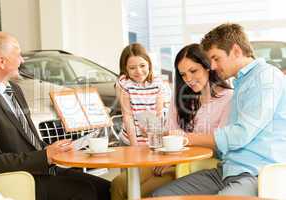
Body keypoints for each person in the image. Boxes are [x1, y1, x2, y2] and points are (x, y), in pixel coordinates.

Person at [152, 23, 286, 197]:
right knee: (162, 195)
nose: (213, 66)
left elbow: (240, 134)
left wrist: (185, 138)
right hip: (227, 170)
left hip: (255, 173)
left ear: (236, 51)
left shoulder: (265, 77)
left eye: (216, 58)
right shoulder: (242, 82)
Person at [0, 31, 110, 200]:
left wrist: (57, 149)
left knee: (105, 188)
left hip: (41, 169)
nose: (22, 60)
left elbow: (29, 140)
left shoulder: (14, 89)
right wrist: (45, 156)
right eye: (18, 55)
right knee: (85, 191)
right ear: (2, 61)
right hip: (21, 178)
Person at [111, 43, 174, 200]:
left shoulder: (159, 83)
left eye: (142, 65)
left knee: (142, 186)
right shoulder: (124, 83)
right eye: (132, 68)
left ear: (149, 64)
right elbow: (127, 116)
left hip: (151, 143)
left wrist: (154, 136)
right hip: (129, 142)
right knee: (126, 184)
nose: (138, 71)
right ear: (125, 68)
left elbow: (160, 115)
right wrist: (134, 147)